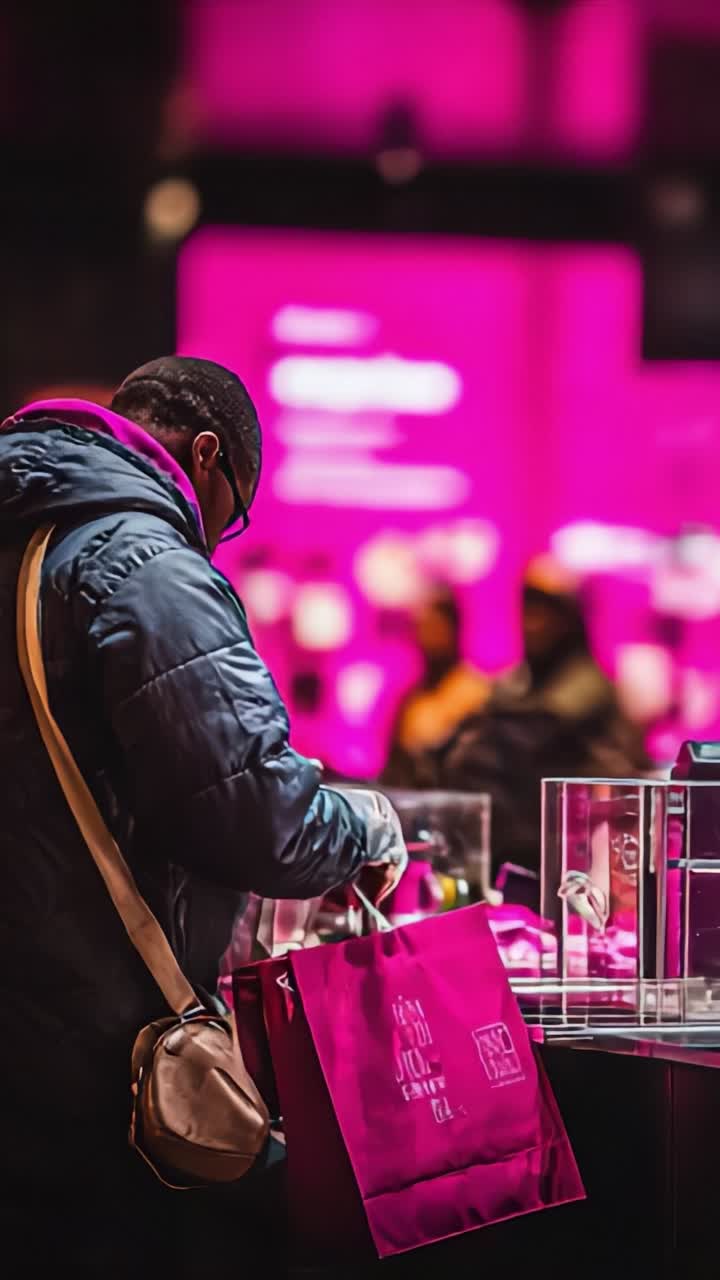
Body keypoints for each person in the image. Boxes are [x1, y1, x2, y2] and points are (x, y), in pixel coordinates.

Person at [0, 357, 402, 1273]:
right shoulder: (146, 567)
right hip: (96, 1063)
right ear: (208, 456)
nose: (218, 536)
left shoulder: (27, 541)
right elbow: (259, 820)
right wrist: (365, 827)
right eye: (234, 511)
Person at [438, 556, 649, 874]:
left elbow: (541, 725)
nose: (531, 624)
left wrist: (479, 730)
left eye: (543, 613)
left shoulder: (589, 678)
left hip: (587, 834)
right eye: (527, 611)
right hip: (530, 824)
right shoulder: (522, 680)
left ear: (567, 619)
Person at [382, 587, 490, 788]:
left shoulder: (472, 686)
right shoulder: (413, 688)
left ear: (453, 630)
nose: (428, 636)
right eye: (424, 628)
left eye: (436, 628)